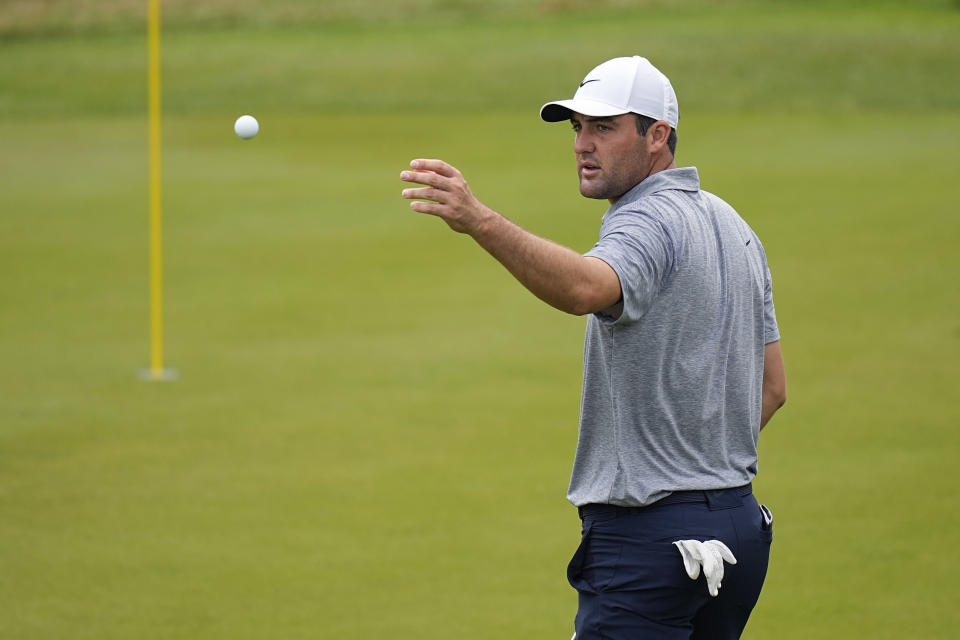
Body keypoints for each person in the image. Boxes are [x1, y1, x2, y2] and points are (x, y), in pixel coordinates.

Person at [399, 55, 786, 640]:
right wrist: (702, 477)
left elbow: (586, 287)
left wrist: (480, 220)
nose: (583, 143)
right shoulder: (734, 225)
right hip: (737, 531)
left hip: (651, 546)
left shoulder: (646, 221)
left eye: (604, 128)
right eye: (577, 127)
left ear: (658, 136)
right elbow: (773, 388)